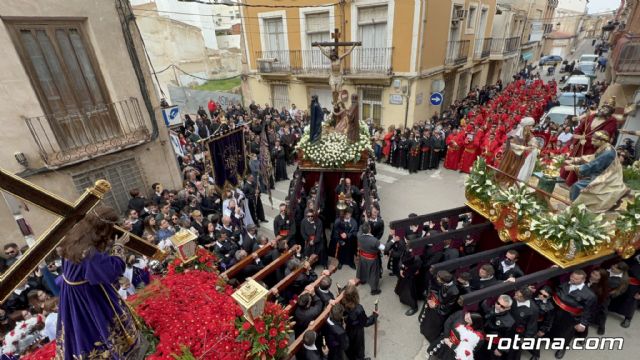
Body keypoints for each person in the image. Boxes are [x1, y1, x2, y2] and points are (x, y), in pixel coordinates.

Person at [56, 206, 144, 359]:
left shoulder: (74, 237)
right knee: (96, 326)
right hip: (89, 295)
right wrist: (118, 247)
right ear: (104, 228)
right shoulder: (88, 252)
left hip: (71, 293)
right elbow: (111, 271)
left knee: (76, 327)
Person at [564, 130, 628, 212]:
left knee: (578, 186)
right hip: (601, 174)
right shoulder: (605, 148)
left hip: (608, 178)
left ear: (602, 141)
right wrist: (576, 159)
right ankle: (576, 205)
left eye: (594, 141)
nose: (592, 143)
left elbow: (593, 165)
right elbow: (593, 157)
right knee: (578, 185)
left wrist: (574, 167)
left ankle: (575, 208)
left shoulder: (608, 153)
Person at [561, 98, 619, 186]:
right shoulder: (591, 117)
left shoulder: (612, 122)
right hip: (580, 144)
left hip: (592, 147)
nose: (602, 110)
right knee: (572, 160)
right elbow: (579, 128)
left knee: (584, 163)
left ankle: (574, 184)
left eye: (606, 109)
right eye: (603, 107)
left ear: (610, 112)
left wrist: (586, 138)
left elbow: (604, 135)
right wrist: (577, 139)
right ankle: (563, 179)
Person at [551, 270, 596, 359]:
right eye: (572, 277)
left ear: (583, 280)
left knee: (567, 333)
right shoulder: (565, 284)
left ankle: (562, 348)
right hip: (558, 312)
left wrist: (583, 323)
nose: (572, 279)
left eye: (576, 279)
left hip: (572, 317)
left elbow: (589, 310)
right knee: (555, 327)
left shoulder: (590, 295)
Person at [342, 283, 378, 360]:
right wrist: (374, 316)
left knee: (351, 346)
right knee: (359, 348)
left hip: (349, 329)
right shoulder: (359, 309)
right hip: (357, 331)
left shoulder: (343, 303)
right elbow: (365, 322)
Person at [497, 117, 536, 183]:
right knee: (508, 167)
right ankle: (501, 181)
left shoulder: (527, 132)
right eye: (530, 126)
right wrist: (524, 148)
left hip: (520, 154)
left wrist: (534, 144)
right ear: (526, 126)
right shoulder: (516, 132)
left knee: (515, 169)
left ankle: (509, 182)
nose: (531, 127)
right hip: (511, 154)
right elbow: (512, 145)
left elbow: (531, 139)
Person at [355, 222, 384, 295]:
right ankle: (374, 289)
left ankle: (362, 280)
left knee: (362, 269)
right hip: (372, 258)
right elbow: (384, 248)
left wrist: (365, 221)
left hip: (362, 256)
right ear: (370, 230)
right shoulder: (374, 240)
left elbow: (360, 228)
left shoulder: (359, 235)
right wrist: (392, 240)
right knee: (373, 273)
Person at [484, 294, 516, 360]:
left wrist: (500, 349)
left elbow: (509, 338)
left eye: (502, 306)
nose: (498, 306)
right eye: (498, 303)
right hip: (481, 339)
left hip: (493, 345)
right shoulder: (488, 308)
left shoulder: (510, 322)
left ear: (508, 308)